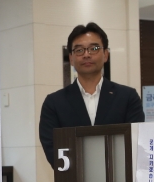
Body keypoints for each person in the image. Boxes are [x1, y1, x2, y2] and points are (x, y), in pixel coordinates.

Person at [39, 22, 144, 167]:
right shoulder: (54, 103)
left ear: (105, 55)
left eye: (94, 49)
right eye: (79, 50)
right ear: (71, 58)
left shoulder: (128, 97)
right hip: (73, 179)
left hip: (119, 178)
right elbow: (53, 151)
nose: (86, 54)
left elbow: (136, 143)